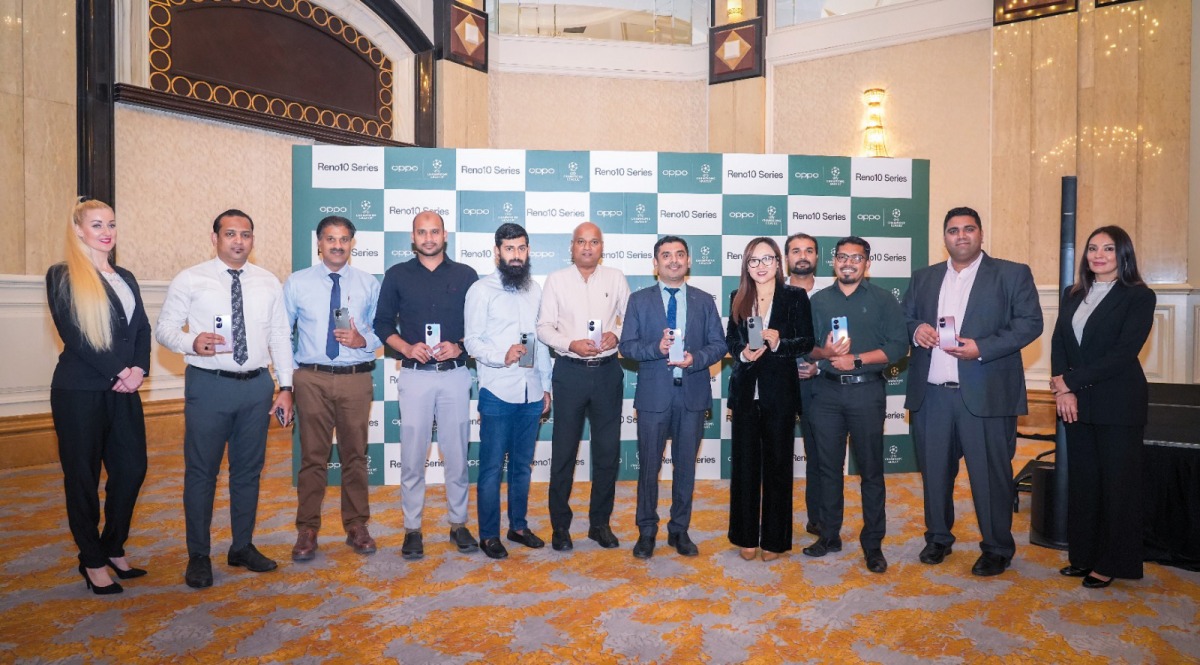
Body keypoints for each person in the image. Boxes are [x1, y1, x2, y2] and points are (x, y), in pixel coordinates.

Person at [156, 209, 294, 589]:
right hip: (208, 384)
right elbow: (165, 328)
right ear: (214, 237)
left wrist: (286, 387)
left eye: (246, 234)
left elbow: (280, 335)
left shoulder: (267, 282)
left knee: (249, 471)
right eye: (230, 233)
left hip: (256, 387)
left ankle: (242, 546)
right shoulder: (192, 278)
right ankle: (198, 555)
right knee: (202, 472)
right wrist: (191, 342)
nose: (238, 241)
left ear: (253, 239)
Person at [903, 206, 1042, 577]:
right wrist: (916, 329)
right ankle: (937, 538)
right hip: (932, 396)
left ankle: (997, 547)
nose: (960, 236)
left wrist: (983, 347)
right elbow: (905, 317)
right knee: (934, 474)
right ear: (944, 236)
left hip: (985, 395)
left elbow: (1031, 323)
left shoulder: (1011, 274)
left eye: (968, 229)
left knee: (990, 475)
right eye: (953, 230)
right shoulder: (924, 277)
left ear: (980, 234)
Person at [46, 199, 151, 595]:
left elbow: (141, 328)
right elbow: (75, 334)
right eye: (96, 224)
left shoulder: (125, 275)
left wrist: (139, 368)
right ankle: (91, 559)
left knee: (132, 469)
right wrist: (118, 371)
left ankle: (112, 545)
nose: (106, 231)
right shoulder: (62, 275)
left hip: (125, 390)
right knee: (83, 477)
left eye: (111, 223)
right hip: (80, 392)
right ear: (78, 229)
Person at [1050, 226, 1155, 589]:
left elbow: (1123, 354)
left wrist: (1070, 383)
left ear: (1123, 255)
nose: (1099, 255)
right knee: (1085, 483)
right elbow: (1059, 344)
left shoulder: (1139, 297)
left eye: (1108, 249)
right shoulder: (1073, 293)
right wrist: (1062, 391)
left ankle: (1112, 562)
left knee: (1117, 486)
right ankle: (1084, 556)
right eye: (1093, 248)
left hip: (1118, 404)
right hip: (1076, 404)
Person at [374, 211, 479, 560]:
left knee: (457, 456)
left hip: (454, 375)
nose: (429, 238)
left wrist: (460, 345)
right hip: (415, 377)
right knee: (412, 457)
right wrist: (405, 347)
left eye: (435, 231)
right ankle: (412, 529)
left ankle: (458, 524)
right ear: (413, 236)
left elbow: (478, 325)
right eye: (423, 232)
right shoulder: (397, 275)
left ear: (444, 235)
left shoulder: (466, 275)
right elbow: (382, 323)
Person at [801, 236, 908, 573]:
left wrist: (857, 360)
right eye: (842, 257)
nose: (848, 263)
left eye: (856, 258)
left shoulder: (883, 300)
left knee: (871, 472)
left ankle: (873, 544)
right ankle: (829, 535)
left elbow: (898, 347)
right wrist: (825, 354)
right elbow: (807, 347)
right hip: (826, 393)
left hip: (866, 393)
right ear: (833, 262)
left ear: (867, 263)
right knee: (827, 469)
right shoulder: (817, 301)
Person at [619, 236, 727, 559]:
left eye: (680, 255)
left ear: (689, 262)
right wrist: (657, 348)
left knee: (685, 469)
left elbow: (719, 345)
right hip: (654, 398)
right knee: (649, 468)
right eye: (666, 255)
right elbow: (626, 347)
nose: (674, 260)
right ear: (656, 264)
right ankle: (647, 532)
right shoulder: (639, 301)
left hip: (692, 395)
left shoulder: (705, 300)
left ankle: (679, 530)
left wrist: (695, 358)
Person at [284, 216, 382, 562]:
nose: (337, 245)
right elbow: (282, 335)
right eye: (330, 239)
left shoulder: (369, 284)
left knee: (356, 456)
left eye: (343, 239)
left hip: (355, 376)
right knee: (313, 457)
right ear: (319, 243)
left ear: (352, 243)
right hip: (311, 378)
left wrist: (362, 339)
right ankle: (307, 529)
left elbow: (383, 330)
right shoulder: (297, 283)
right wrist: (284, 384)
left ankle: (356, 525)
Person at [536, 221, 631, 552]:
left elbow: (629, 319)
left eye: (594, 242)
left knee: (607, 453)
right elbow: (544, 328)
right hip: (570, 372)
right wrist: (569, 344)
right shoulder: (556, 280)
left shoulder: (616, 278)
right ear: (572, 247)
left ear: (602, 247)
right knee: (563, 452)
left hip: (607, 372)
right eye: (581, 242)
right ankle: (560, 527)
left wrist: (616, 335)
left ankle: (599, 524)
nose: (587, 247)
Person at [463, 223, 552, 560]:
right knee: (489, 469)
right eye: (510, 249)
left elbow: (541, 343)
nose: (516, 255)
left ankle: (518, 526)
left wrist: (546, 387)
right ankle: (488, 534)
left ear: (528, 251)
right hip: (498, 392)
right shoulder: (481, 290)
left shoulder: (535, 290)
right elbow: (471, 340)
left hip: (531, 392)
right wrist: (501, 356)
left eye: (522, 248)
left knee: (521, 467)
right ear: (497, 252)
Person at [726, 237, 814, 561]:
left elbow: (806, 341)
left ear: (778, 263)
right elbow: (730, 339)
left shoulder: (795, 296)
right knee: (745, 469)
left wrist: (779, 343)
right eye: (753, 261)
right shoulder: (738, 297)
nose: (760, 266)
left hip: (780, 395)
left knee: (778, 468)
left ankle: (774, 540)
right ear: (746, 266)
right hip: (746, 394)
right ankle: (746, 536)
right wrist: (743, 354)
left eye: (767, 259)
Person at [785, 232, 825, 537]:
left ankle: (819, 518)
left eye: (809, 250)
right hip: (780, 386)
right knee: (774, 454)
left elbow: (843, 343)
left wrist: (819, 366)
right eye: (796, 250)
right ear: (786, 258)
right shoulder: (771, 294)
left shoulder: (832, 295)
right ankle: (775, 519)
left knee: (820, 455)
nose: (802, 256)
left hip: (820, 387)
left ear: (816, 257)